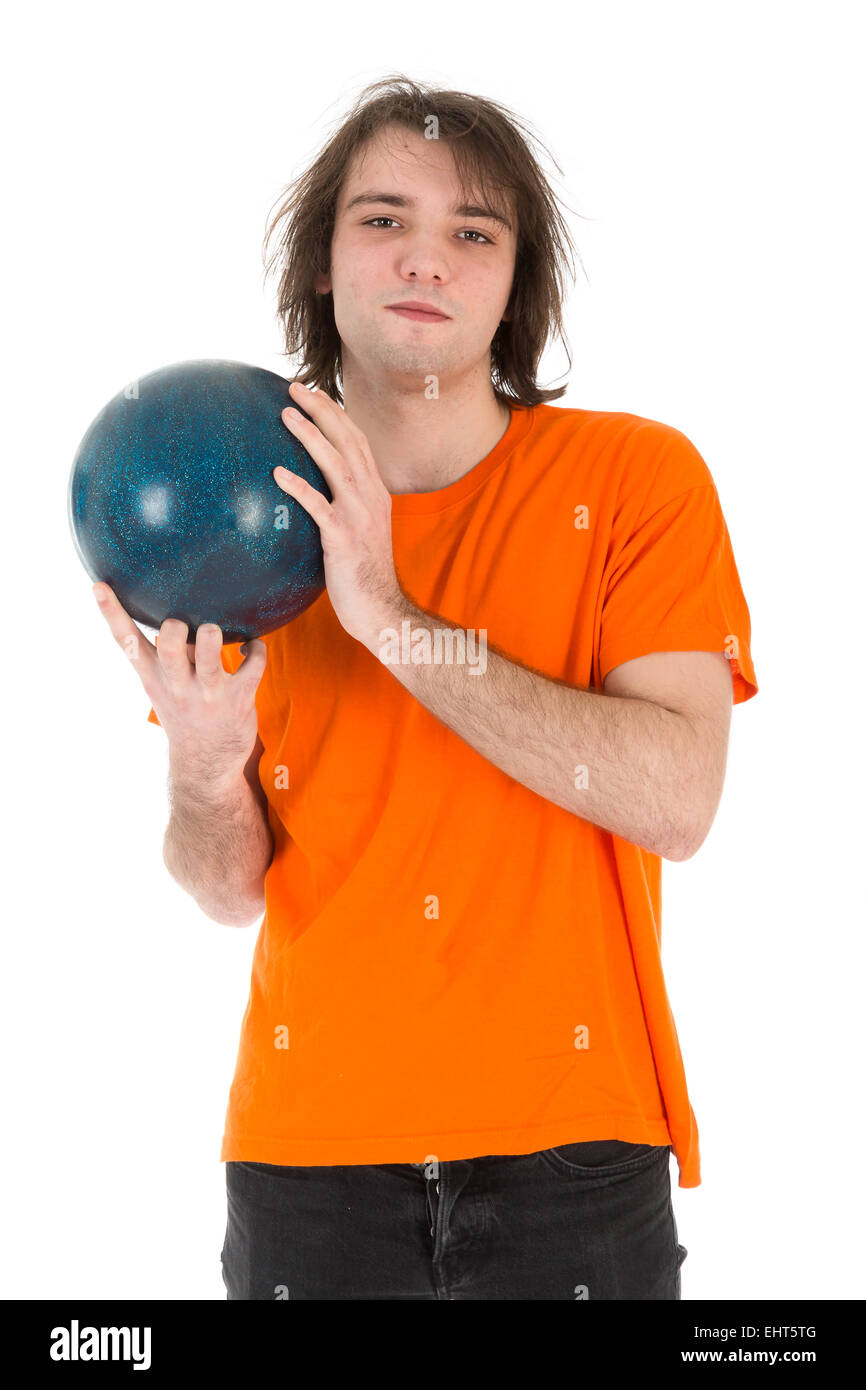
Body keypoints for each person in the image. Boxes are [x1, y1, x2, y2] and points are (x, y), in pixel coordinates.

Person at [93, 74, 757, 1300]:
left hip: (574, 1153)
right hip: (306, 1163)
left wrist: (389, 619)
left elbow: (676, 799)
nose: (426, 258)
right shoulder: (241, 518)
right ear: (322, 264)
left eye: (473, 231)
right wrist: (198, 755)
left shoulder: (632, 480)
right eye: (382, 217)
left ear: (515, 284)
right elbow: (226, 889)